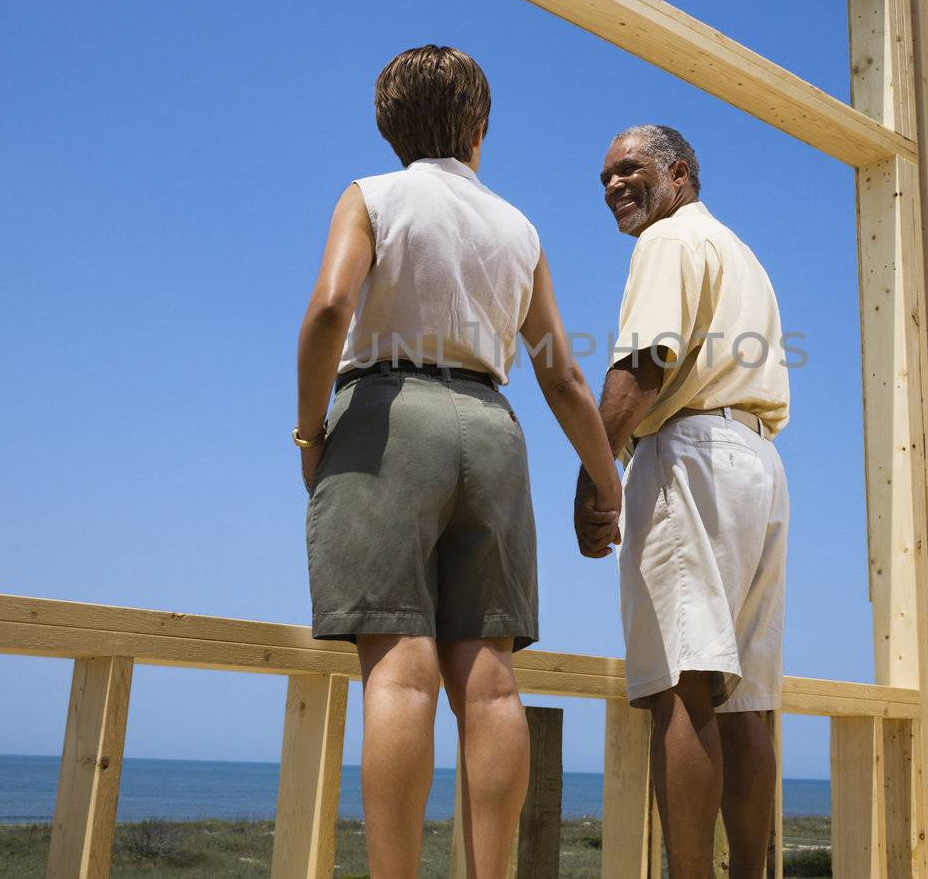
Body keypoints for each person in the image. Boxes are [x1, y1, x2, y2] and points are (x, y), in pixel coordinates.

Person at [295, 46, 621, 878]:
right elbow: (562, 373)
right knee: (491, 682)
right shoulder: (520, 227)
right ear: (479, 129)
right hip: (491, 426)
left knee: (400, 674)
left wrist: (309, 434)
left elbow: (332, 305)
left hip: (386, 416)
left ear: (389, 126)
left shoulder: (373, 195)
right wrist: (607, 478)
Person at [576, 124, 791, 878]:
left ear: (679, 172)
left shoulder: (667, 243)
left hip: (692, 458)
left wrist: (595, 476)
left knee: (683, 681)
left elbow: (644, 364)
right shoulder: (745, 257)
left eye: (628, 169)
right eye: (603, 177)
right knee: (745, 699)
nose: (612, 186)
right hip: (760, 464)